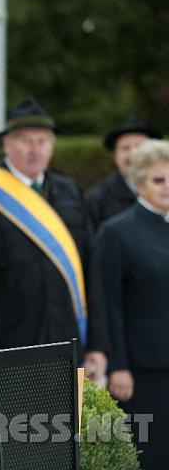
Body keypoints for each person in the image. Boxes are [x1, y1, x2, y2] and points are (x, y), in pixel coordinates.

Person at [0, 97, 109, 380]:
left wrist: (98, 345)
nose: (35, 150)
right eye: (25, 141)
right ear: (7, 144)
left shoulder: (70, 192)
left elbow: (92, 270)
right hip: (9, 341)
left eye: (43, 141)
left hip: (67, 337)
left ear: (52, 146)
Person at [96, 139, 169, 469]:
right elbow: (108, 302)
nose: (168, 186)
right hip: (141, 370)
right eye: (159, 179)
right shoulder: (116, 232)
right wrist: (119, 365)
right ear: (139, 181)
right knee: (149, 454)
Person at [86, 116, 162, 229]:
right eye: (125, 148)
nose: (133, 154)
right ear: (115, 156)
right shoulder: (98, 199)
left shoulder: (165, 192)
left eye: (139, 146)